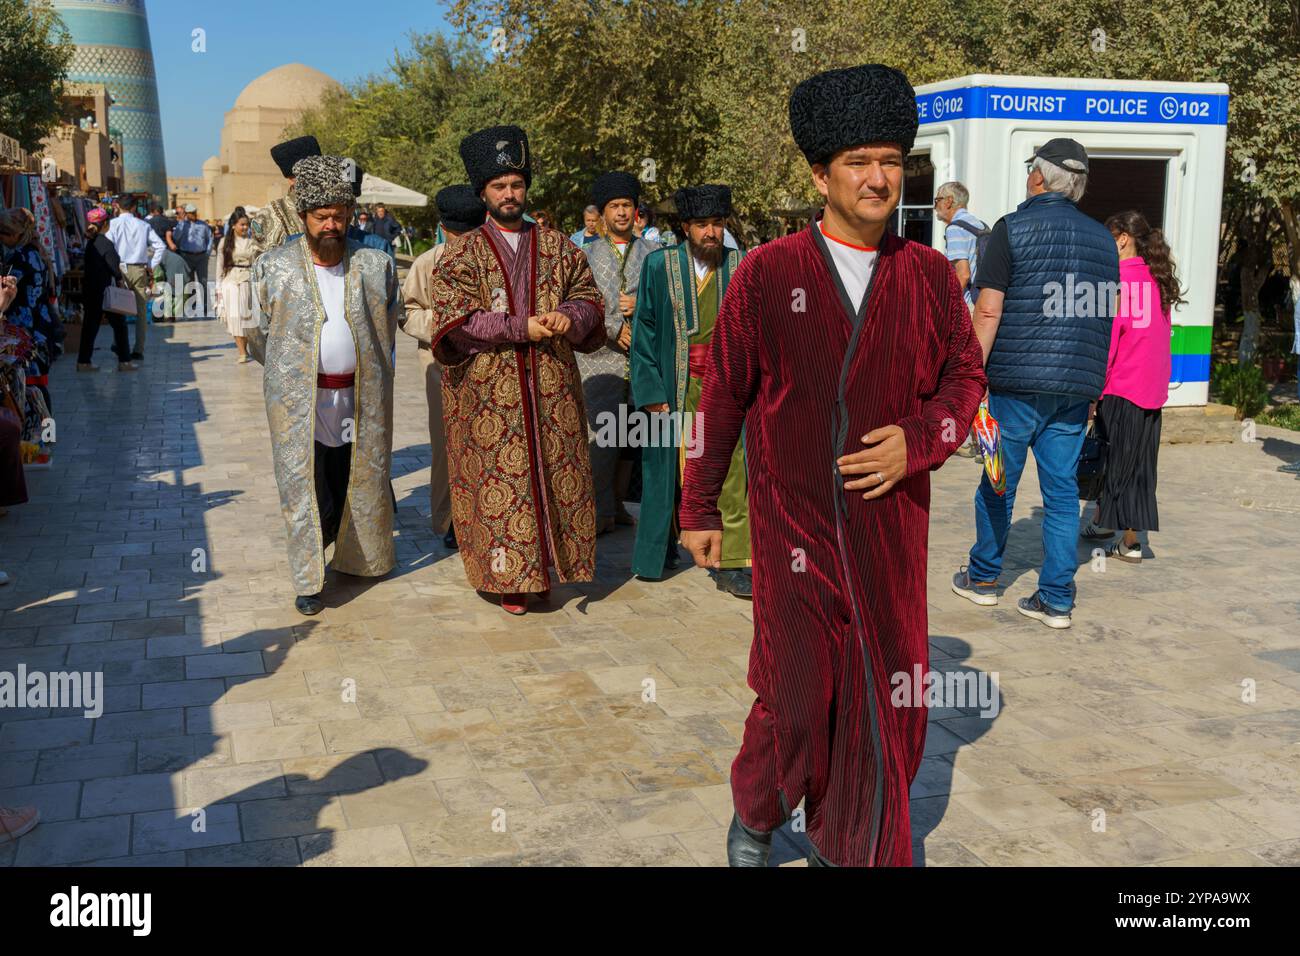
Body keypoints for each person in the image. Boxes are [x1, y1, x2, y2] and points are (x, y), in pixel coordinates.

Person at [678, 65, 985, 867]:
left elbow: (965, 378)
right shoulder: (769, 276)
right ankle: (758, 813)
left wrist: (922, 439)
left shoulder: (925, 276)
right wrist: (699, 507)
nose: (878, 177)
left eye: (889, 159)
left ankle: (854, 846)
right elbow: (720, 402)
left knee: (889, 706)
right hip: (794, 532)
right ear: (821, 173)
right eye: (857, 160)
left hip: (891, 536)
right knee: (796, 701)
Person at [428, 124, 605, 616]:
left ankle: (546, 566)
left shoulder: (560, 247)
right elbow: (456, 321)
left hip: (552, 388)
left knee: (554, 473)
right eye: (499, 186)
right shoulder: (461, 253)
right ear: (483, 193)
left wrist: (569, 317)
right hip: (490, 396)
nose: (509, 194)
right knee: (502, 481)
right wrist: (518, 328)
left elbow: (591, 299)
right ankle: (510, 576)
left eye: (516, 184)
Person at [952, 137, 1119, 629]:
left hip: (1014, 384)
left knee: (998, 482)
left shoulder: (1010, 229)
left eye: (1031, 169)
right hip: (1075, 388)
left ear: (1040, 177)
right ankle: (1056, 600)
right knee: (1063, 493)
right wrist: (1095, 387)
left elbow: (987, 308)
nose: (1028, 176)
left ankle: (984, 578)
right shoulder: (1103, 241)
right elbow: (1101, 316)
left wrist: (970, 377)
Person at [247, 156, 402, 616]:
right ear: (303, 217)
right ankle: (309, 579)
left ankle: (357, 559)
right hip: (301, 402)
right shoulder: (274, 267)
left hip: (360, 398)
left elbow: (389, 326)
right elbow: (259, 335)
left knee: (353, 476)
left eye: (340, 214)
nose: (332, 224)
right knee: (306, 485)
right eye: (322, 216)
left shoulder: (375, 265)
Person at [631, 184, 751, 598]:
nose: (711, 233)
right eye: (702, 225)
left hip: (726, 389)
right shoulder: (660, 265)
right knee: (665, 472)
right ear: (685, 228)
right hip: (674, 385)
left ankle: (731, 561)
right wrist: (650, 392)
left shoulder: (742, 265)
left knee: (730, 474)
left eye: (717, 224)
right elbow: (644, 328)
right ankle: (659, 547)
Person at [1081, 210, 1181, 562]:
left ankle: (1130, 540)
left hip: (1122, 385)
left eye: (1110, 236)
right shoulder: (1158, 281)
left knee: (1117, 462)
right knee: (1138, 463)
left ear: (1122, 238)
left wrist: (1093, 389)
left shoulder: (1118, 281)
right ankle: (1105, 523)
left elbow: (1108, 342)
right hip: (1151, 389)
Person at [400, 185, 487, 551]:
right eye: (457, 234)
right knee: (447, 443)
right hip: (440, 365)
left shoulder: (493, 259)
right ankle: (451, 520)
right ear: (443, 228)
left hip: (488, 363)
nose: (463, 241)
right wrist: (449, 323)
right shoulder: (426, 263)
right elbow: (409, 314)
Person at [581, 171, 660, 535]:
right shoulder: (584, 254)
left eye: (627, 205)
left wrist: (641, 303)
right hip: (600, 359)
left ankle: (616, 504)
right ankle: (596, 511)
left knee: (629, 438)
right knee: (599, 438)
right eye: (614, 206)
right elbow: (579, 303)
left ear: (635, 210)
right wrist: (614, 325)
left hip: (640, 360)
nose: (622, 213)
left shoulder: (654, 253)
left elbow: (669, 300)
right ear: (601, 213)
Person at [76, 207, 136, 372]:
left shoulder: (91, 243)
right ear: (106, 224)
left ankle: (83, 362)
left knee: (90, 326)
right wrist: (120, 279)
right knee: (119, 325)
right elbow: (114, 267)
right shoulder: (105, 243)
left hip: (90, 290)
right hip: (105, 292)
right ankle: (125, 361)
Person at [104, 197, 165, 361]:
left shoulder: (113, 224)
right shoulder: (143, 225)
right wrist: (151, 264)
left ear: (119, 206)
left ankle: (119, 343)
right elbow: (160, 246)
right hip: (139, 269)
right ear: (133, 207)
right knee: (141, 311)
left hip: (120, 268)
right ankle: (138, 349)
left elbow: (107, 245)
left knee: (118, 308)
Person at [0, 209, 62, 369]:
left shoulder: (19, 257)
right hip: (39, 322)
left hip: (23, 325)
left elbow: (7, 287)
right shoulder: (35, 252)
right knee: (36, 379)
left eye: (3, 233)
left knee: (26, 377)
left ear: (14, 234)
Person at [251, 135, 322, 257]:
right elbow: (261, 266)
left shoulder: (339, 206)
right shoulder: (269, 215)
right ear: (291, 179)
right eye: (307, 174)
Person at [216, 207, 257, 363]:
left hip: (248, 278)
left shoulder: (253, 242)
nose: (245, 227)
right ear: (233, 225)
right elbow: (219, 266)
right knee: (234, 316)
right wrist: (218, 287)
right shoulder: (224, 243)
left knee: (246, 316)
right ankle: (242, 352)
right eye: (242, 224)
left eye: (247, 224)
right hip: (230, 279)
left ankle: (246, 347)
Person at [173, 203, 213, 317]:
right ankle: (192, 305)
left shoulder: (203, 225)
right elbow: (176, 238)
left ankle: (206, 305)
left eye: (194, 212)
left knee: (203, 281)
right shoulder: (181, 225)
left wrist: (207, 253)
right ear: (186, 214)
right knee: (189, 282)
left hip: (201, 257)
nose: (194, 215)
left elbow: (209, 239)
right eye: (191, 213)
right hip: (187, 256)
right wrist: (182, 223)